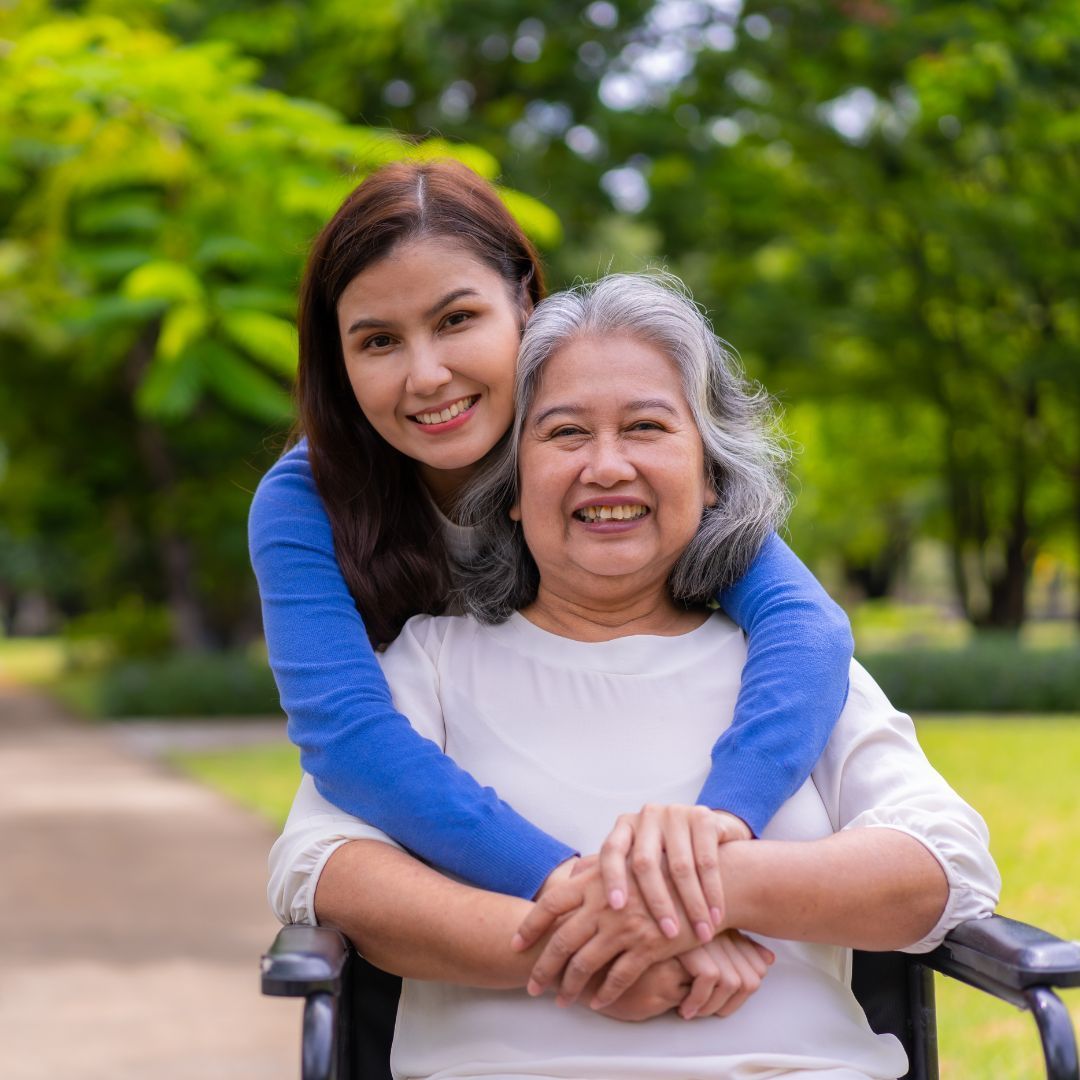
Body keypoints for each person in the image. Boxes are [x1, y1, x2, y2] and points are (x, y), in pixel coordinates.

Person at [268, 273, 1000, 1079]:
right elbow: (327, 866)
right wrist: (605, 949)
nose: (607, 466)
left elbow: (946, 866)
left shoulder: (791, 673)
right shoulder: (431, 662)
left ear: (711, 473)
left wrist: (712, 880)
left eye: (647, 426)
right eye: (565, 433)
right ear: (511, 490)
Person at [249, 159, 855, 937]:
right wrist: (589, 896)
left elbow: (807, 629)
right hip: (461, 893)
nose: (427, 374)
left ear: (525, 307)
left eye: (457, 319)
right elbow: (349, 738)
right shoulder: (305, 502)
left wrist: (711, 837)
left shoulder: (617, 468)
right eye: (378, 341)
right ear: (338, 360)